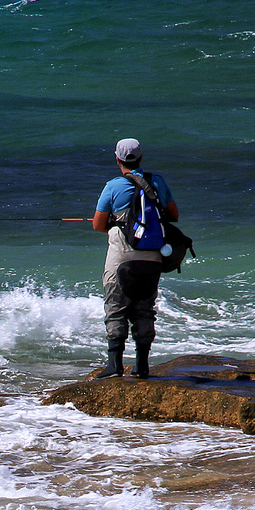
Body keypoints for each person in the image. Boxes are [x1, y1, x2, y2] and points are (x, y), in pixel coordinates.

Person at [91, 138, 179, 379]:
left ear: (117, 159)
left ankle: (114, 365)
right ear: (140, 158)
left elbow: (98, 225)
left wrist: (116, 221)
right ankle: (142, 365)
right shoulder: (157, 182)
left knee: (116, 308)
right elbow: (174, 215)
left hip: (122, 256)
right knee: (145, 309)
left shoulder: (113, 186)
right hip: (152, 256)